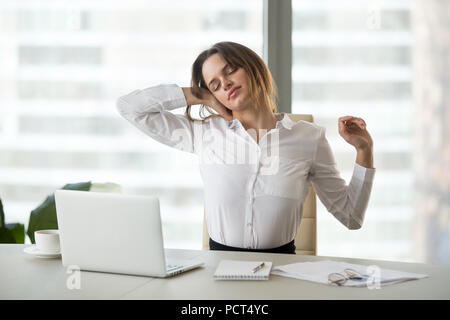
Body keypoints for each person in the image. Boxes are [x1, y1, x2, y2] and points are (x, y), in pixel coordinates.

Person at [116, 41, 375, 255]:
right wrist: (196, 94)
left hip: (283, 273)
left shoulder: (310, 139)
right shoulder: (205, 133)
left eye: (230, 71)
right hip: (218, 272)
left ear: (253, 68)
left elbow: (351, 217)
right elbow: (130, 108)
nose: (225, 83)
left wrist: (364, 150)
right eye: (215, 84)